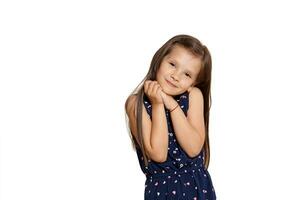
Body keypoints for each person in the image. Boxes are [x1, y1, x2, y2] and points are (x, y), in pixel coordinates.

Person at [124, 34, 217, 199]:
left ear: (194, 83)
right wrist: (158, 104)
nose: (176, 76)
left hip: (197, 190)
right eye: (172, 64)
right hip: (162, 192)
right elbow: (158, 154)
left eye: (187, 74)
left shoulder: (193, 96)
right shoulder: (135, 103)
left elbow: (193, 147)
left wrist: (171, 104)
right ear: (160, 60)